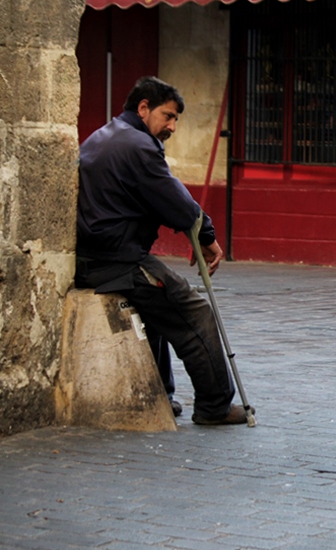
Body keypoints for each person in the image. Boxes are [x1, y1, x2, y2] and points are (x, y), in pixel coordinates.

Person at [76, 76, 250, 425]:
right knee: (194, 311)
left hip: (97, 253)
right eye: (167, 116)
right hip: (117, 259)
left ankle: (162, 395)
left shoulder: (104, 136)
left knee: (159, 308)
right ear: (143, 108)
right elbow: (177, 203)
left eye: (175, 120)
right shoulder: (138, 146)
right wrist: (206, 234)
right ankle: (214, 406)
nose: (172, 126)